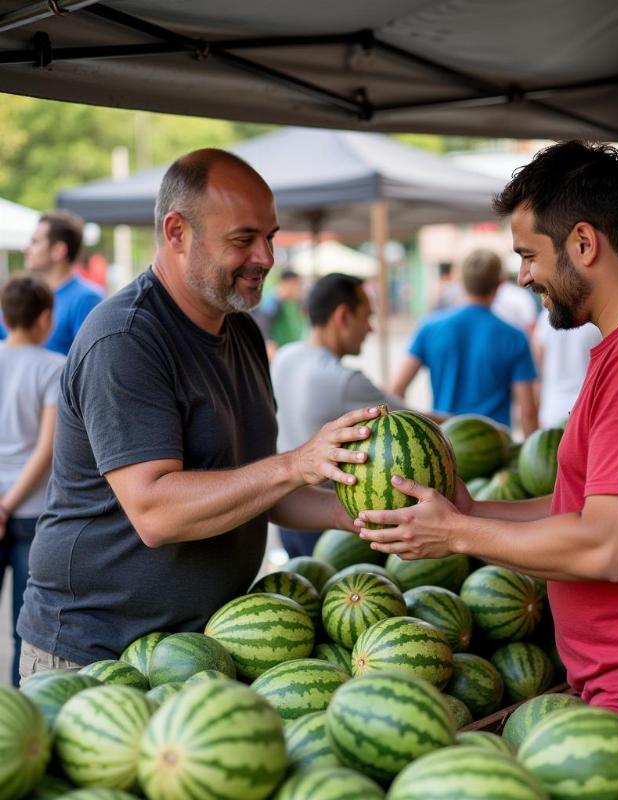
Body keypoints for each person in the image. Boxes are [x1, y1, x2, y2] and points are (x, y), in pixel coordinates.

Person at [356, 140, 618, 729]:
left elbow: (608, 547)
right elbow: (582, 512)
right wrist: (476, 510)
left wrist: (457, 534)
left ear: (583, 243)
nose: (524, 276)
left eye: (529, 255)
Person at [16, 149, 377, 677]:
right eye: (243, 239)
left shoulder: (244, 332)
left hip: (200, 651)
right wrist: (295, 462)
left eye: (270, 236)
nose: (267, 257)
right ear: (177, 232)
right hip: (94, 658)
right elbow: (156, 511)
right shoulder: (126, 339)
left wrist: (356, 516)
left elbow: (252, 487)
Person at [271, 272, 406, 558]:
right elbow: (414, 422)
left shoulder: (286, 356)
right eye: (366, 316)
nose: (370, 329)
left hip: (287, 513)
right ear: (343, 316)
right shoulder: (344, 380)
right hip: (330, 522)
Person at [390, 249, 538, 435]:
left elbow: (395, 390)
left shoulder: (429, 328)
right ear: (499, 284)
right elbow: (528, 412)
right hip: (495, 448)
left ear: (460, 282)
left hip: (445, 443)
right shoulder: (514, 337)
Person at [0, 274, 65, 686]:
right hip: (32, 514)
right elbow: (46, 451)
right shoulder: (54, 367)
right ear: (45, 318)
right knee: (25, 632)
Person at [0, 210, 103, 355]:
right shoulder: (20, 294)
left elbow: (88, 362)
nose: (26, 248)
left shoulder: (87, 299)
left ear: (59, 250)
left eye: (35, 242)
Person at [533, 306, 601, 429]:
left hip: (552, 408)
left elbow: (539, 365)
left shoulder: (545, 318)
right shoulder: (594, 322)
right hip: (586, 408)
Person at [254, 267, 307, 359]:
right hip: (280, 353)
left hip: (294, 350)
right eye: (296, 284)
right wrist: (270, 345)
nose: (298, 287)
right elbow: (264, 323)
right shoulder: (273, 300)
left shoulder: (293, 301)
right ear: (287, 283)